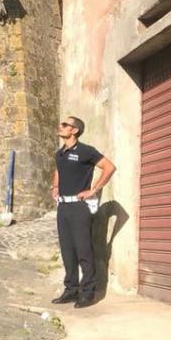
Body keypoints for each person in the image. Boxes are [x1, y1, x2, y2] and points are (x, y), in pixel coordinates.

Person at [50, 116, 116, 309]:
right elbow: (59, 171)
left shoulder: (86, 151)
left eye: (65, 125)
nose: (60, 126)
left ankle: (88, 293)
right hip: (63, 207)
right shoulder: (60, 153)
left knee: (83, 251)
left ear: (75, 130)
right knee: (67, 250)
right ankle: (71, 290)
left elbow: (109, 167)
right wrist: (55, 186)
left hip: (80, 207)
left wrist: (93, 190)